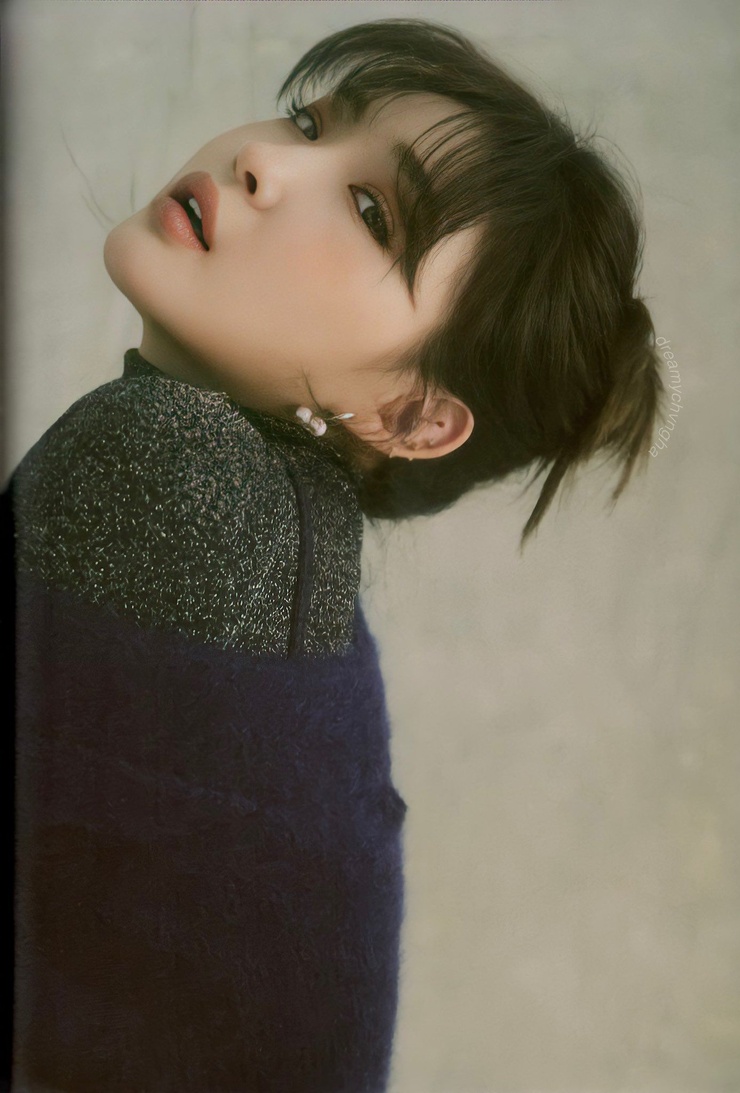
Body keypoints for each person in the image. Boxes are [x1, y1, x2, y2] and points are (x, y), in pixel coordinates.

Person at [6, 18, 665, 1093]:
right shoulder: (284, 552)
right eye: (311, 123)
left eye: (370, 213)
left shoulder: (177, 472)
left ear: (410, 416)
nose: (263, 161)